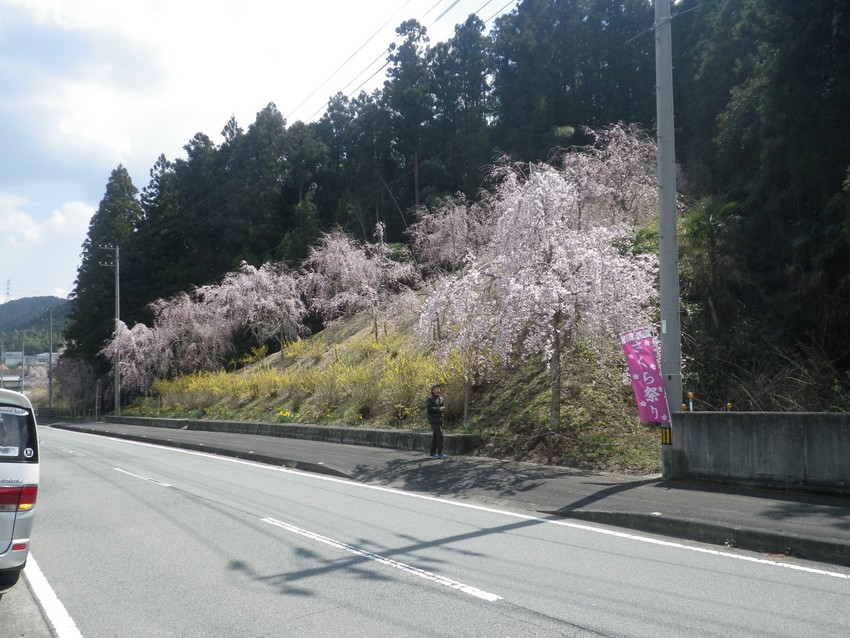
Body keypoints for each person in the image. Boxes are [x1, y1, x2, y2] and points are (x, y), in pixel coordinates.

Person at [426, 383, 446, 459]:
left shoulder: (441, 399)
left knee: (435, 436)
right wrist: (438, 409)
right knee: (440, 435)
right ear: (432, 390)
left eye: (439, 388)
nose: (438, 390)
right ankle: (439, 453)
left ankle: (432, 453)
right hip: (433, 420)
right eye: (436, 388)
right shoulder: (430, 399)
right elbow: (429, 408)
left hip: (440, 419)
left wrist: (443, 409)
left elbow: (443, 407)